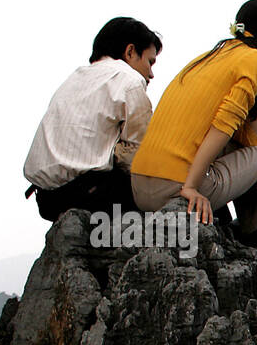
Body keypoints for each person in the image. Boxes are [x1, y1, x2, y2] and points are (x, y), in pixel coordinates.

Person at [131, 0, 257, 259]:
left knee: (244, 152)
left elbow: (242, 143)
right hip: (174, 188)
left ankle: (256, 235)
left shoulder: (210, 57)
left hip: (139, 186)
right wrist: (191, 187)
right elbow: (224, 125)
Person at [24, 17, 162, 221]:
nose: (151, 74)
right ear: (130, 51)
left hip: (46, 199)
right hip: (92, 194)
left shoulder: (74, 78)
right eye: (150, 62)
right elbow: (139, 156)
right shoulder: (129, 80)